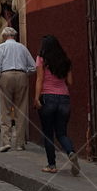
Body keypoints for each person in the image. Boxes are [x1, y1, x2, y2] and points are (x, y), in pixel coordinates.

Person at [34, 34, 80, 175]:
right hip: (64, 99)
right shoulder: (65, 61)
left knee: (48, 134)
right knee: (61, 133)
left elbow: (40, 79)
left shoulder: (41, 60)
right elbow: (70, 82)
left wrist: (36, 98)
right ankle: (71, 151)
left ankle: (52, 165)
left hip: (48, 98)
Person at [0, 26, 36, 152]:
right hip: (22, 76)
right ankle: (20, 143)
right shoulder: (22, 47)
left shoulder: (2, 47)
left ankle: (6, 142)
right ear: (14, 36)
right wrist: (24, 73)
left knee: (5, 110)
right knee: (21, 110)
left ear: (4, 36)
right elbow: (33, 67)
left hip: (6, 76)